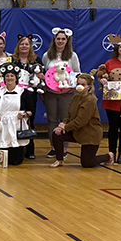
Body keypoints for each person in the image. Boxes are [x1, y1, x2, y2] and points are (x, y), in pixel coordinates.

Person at [51, 74, 114, 168]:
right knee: (57, 134)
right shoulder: (75, 98)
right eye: (78, 84)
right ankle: (59, 160)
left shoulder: (90, 100)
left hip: (90, 134)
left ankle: (108, 156)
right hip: (77, 131)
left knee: (87, 163)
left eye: (83, 84)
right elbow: (69, 114)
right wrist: (62, 124)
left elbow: (81, 121)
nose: (79, 86)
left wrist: (66, 127)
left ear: (88, 87)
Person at [41, 27, 81, 158]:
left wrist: (74, 86)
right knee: (52, 121)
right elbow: (43, 72)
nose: (60, 41)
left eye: (63, 39)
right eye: (58, 38)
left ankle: (63, 149)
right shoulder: (47, 55)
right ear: (54, 39)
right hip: (51, 93)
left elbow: (77, 72)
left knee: (64, 120)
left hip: (67, 94)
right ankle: (54, 147)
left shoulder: (72, 56)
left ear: (67, 40)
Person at [0, 63, 35, 166]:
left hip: (17, 123)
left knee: (15, 161)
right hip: (3, 123)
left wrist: (24, 115)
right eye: (7, 76)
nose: (9, 78)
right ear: (4, 78)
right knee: (3, 155)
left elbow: (31, 110)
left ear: (16, 78)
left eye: (12, 76)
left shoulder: (23, 92)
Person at [11, 35, 42, 159]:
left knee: (29, 120)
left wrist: (41, 76)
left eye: (26, 44)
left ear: (30, 47)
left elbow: (42, 74)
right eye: (22, 44)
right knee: (14, 119)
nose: (24, 46)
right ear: (18, 46)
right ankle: (14, 147)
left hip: (30, 94)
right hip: (14, 94)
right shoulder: (12, 60)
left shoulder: (36, 59)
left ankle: (29, 149)